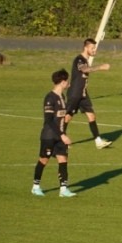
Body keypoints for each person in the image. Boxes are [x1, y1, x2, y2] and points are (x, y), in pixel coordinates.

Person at [33, 69, 76, 198]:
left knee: (63, 160)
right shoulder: (50, 98)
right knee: (43, 160)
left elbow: (61, 118)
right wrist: (62, 135)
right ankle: (35, 187)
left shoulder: (62, 97)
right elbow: (49, 120)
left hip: (60, 136)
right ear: (62, 82)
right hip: (49, 136)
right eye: (67, 81)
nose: (68, 83)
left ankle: (63, 189)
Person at [64, 38, 112, 149]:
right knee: (67, 117)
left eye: (95, 48)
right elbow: (85, 70)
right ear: (86, 48)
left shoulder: (85, 60)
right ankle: (60, 139)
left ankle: (98, 141)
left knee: (91, 116)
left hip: (83, 94)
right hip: (75, 93)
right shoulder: (79, 59)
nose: (94, 50)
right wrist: (100, 67)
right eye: (92, 48)